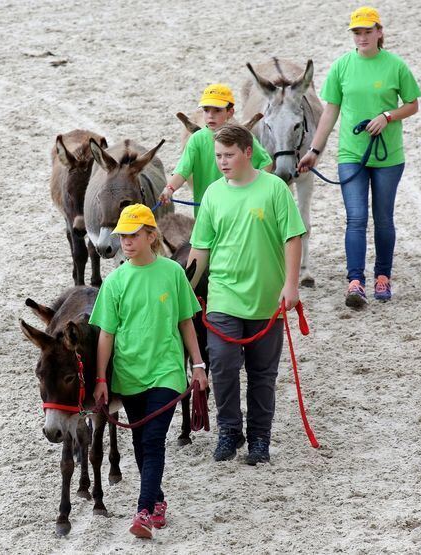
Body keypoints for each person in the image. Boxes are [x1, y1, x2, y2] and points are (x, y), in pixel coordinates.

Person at [188, 123, 306, 465]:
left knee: (262, 375)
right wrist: (187, 290)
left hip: (268, 298)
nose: (222, 162)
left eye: (229, 155)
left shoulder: (274, 189)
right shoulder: (213, 194)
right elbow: (200, 248)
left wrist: (291, 285)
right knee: (222, 365)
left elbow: (292, 237)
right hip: (223, 295)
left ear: (248, 152)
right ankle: (229, 430)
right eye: (218, 156)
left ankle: (259, 438)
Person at [90, 204, 208, 539]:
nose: (126, 242)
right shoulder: (114, 282)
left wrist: (198, 365)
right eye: (123, 236)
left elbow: (186, 321)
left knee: (154, 440)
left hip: (167, 372)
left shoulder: (173, 273)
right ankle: (157, 500)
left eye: (133, 235)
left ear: (151, 236)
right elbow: (106, 335)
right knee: (141, 442)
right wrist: (101, 379)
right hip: (129, 374)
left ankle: (143, 512)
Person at [297, 6, 421, 308]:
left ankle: (382, 277)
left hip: (388, 156)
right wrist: (314, 150)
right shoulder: (342, 66)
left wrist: (387, 116)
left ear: (379, 32)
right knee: (355, 217)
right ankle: (355, 281)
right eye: (357, 32)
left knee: (383, 218)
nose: (362, 37)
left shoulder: (395, 66)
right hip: (351, 154)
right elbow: (331, 111)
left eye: (367, 31)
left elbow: (412, 104)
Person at [159, 83, 274, 211]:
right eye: (206, 110)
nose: (210, 115)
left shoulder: (243, 137)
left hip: (238, 208)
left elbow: (265, 162)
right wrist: (169, 189)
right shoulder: (196, 140)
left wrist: (256, 189)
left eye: (217, 110)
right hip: (206, 209)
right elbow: (182, 171)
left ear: (230, 112)